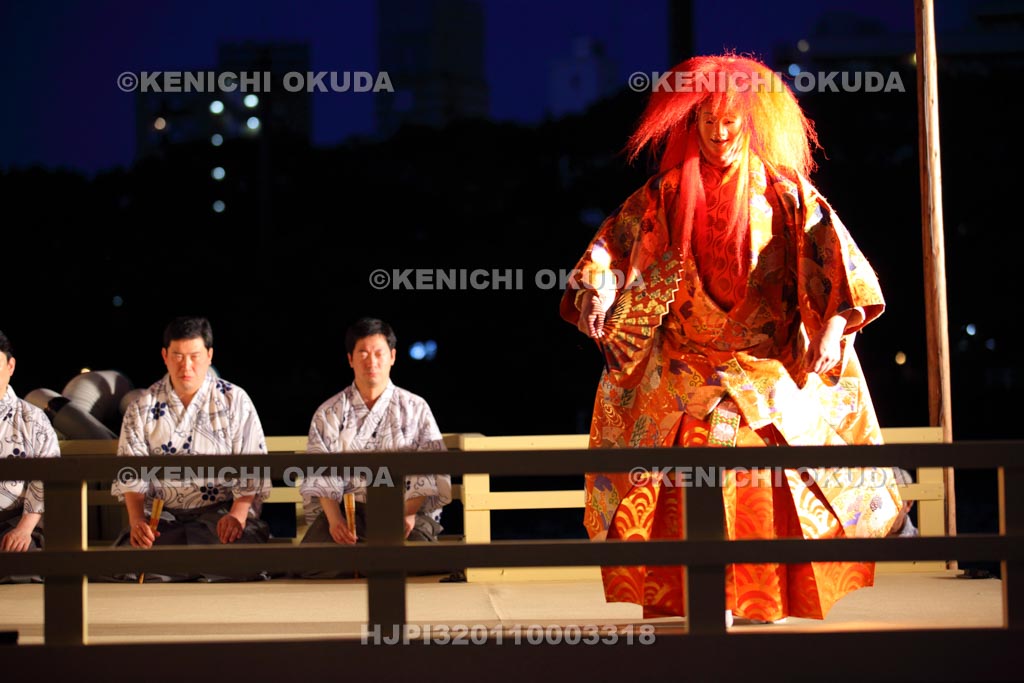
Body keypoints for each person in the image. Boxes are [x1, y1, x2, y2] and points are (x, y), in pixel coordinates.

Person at [561, 54, 904, 623]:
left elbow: (838, 264)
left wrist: (835, 327)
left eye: (730, 123)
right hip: (684, 370)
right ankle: (689, 601)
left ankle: (762, 602)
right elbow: (612, 247)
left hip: (764, 369)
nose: (719, 135)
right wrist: (597, 289)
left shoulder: (788, 195)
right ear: (692, 123)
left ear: (750, 123)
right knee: (679, 475)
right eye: (708, 123)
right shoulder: (667, 194)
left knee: (765, 478)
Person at [110, 316, 270, 581]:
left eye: (194, 356)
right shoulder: (142, 406)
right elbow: (131, 470)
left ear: (209, 355)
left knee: (243, 560)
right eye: (178, 356)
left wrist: (238, 515)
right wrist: (137, 520)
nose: (187, 366)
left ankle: (179, 568)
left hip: (219, 513)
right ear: (165, 356)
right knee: (126, 563)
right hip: (163, 516)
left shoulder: (234, 400)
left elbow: (252, 464)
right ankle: (188, 566)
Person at [298, 318, 450, 577]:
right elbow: (319, 471)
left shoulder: (415, 408)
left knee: (422, 555)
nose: (372, 361)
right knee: (310, 565)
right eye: (363, 354)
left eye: (379, 353)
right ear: (350, 359)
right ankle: (374, 562)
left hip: (401, 511)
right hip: (349, 513)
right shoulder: (330, 412)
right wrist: (335, 522)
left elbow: (430, 466)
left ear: (392, 356)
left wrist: (409, 514)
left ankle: (364, 562)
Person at [0, 330, 60, 578]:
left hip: (17, 520)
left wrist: (24, 529)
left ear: (10, 365)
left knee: (21, 562)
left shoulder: (31, 418)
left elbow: (46, 478)